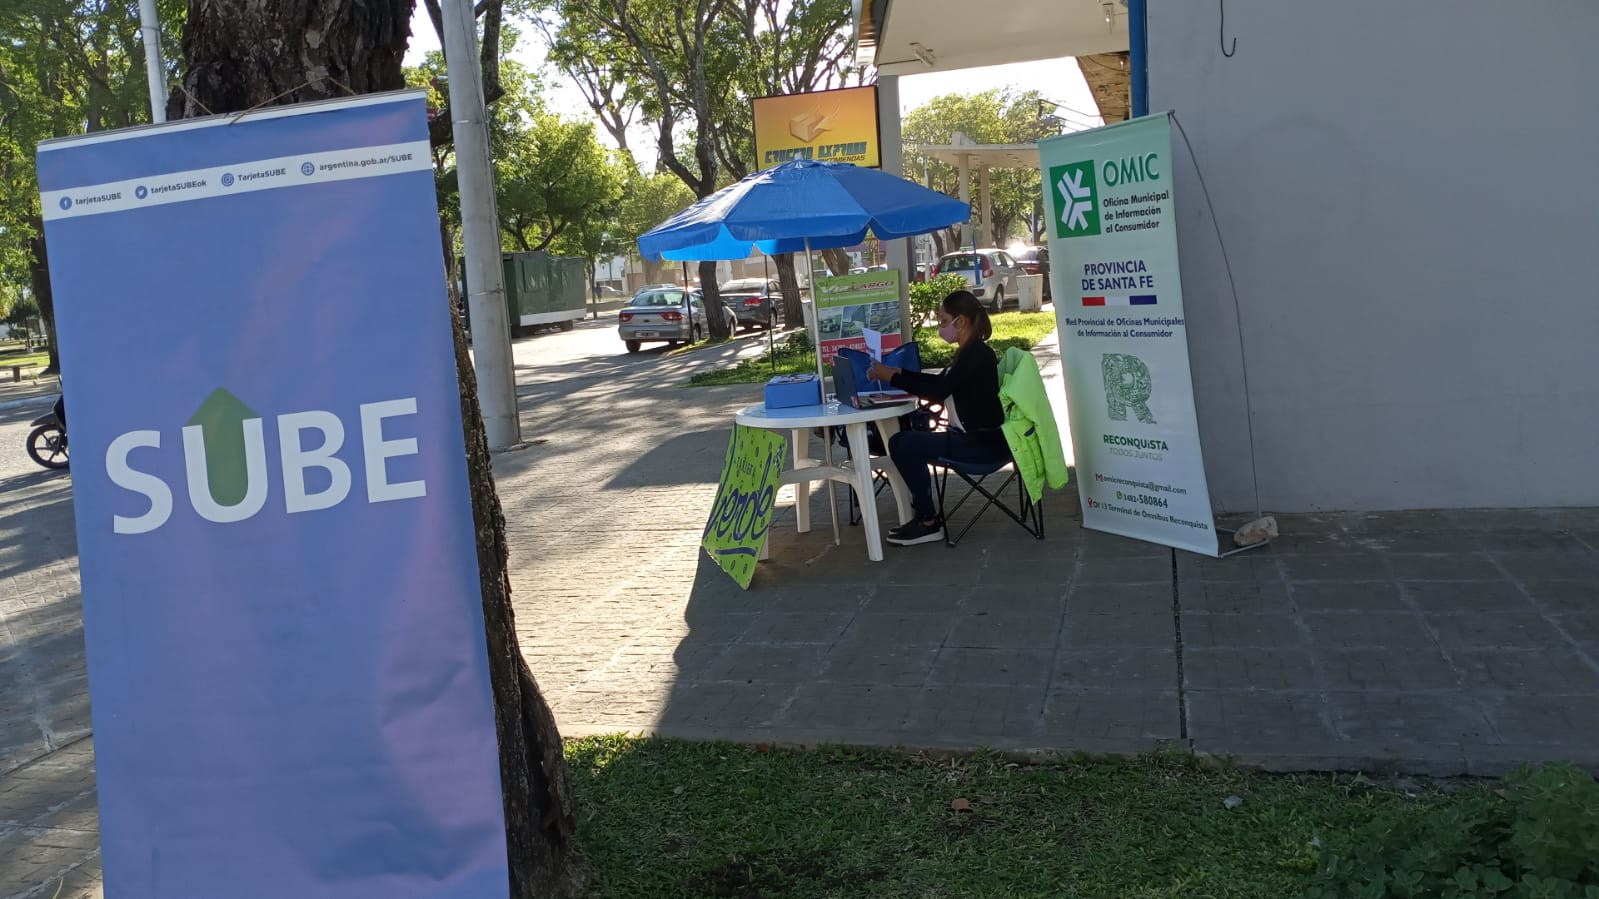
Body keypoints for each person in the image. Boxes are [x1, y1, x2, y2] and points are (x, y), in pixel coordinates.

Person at [867, 289, 1009, 546]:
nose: (941, 328)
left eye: (944, 321)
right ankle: (925, 516)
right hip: (974, 439)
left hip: (982, 446)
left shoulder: (976, 355)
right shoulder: (970, 353)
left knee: (903, 443)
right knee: (906, 441)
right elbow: (940, 382)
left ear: (961, 322)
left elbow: (939, 391)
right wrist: (897, 372)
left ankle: (927, 521)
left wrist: (893, 378)